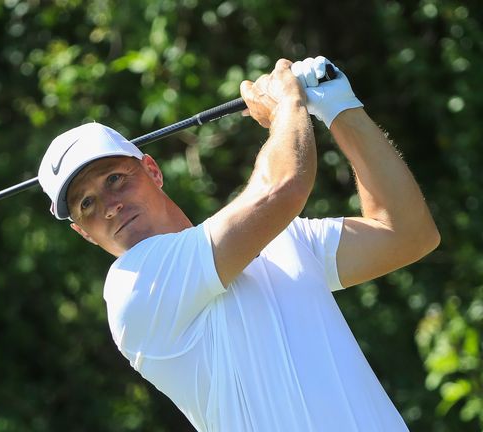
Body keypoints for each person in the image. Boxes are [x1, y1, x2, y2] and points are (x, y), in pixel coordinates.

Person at [37, 56, 439, 431]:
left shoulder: (282, 239)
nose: (109, 206)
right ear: (83, 233)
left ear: (152, 170)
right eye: (86, 204)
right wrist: (288, 105)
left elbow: (406, 233)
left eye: (114, 179)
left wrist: (338, 107)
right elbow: (283, 187)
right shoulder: (133, 287)